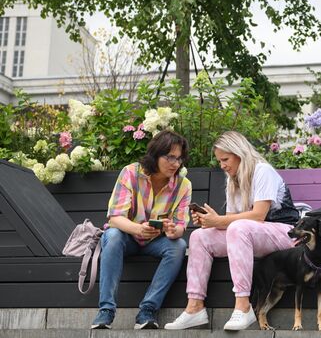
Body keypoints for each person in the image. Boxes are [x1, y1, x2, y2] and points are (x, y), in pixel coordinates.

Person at [164, 131, 300, 331]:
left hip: (284, 233)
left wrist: (220, 221)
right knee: (200, 236)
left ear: (239, 153)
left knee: (238, 227)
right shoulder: (232, 179)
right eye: (219, 161)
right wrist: (210, 221)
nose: (222, 165)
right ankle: (195, 307)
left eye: (225, 159)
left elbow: (258, 215)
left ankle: (243, 306)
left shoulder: (262, 171)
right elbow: (230, 223)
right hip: (249, 234)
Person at [91, 130, 191, 330]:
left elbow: (180, 226)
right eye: (170, 157)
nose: (175, 163)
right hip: (126, 237)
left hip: (155, 241)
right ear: (155, 155)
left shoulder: (183, 185)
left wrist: (173, 231)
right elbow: (115, 217)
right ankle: (106, 311)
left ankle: (148, 311)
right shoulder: (131, 173)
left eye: (179, 159)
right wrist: (138, 229)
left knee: (178, 245)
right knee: (112, 235)